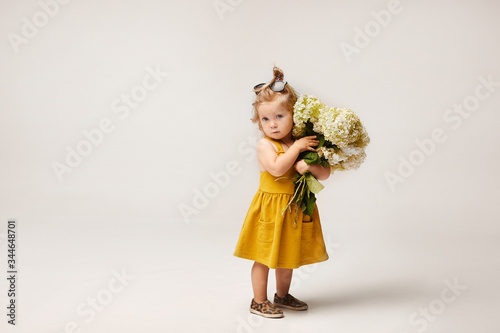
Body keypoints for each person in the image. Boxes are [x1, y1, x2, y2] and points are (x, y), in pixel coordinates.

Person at [233, 67, 331, 318]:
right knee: (264, 256)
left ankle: (282, 295)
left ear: (294, 116)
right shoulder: (265, 145)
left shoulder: (300, 141)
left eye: (279, 116)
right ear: (259, 122)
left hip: (294, 208)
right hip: (270, 208)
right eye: (265, 119)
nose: (272, 124)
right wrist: (297, 148)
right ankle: (258, 300)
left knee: (288, 256)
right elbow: (277, 169)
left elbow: (324, 173)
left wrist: (308, 165)